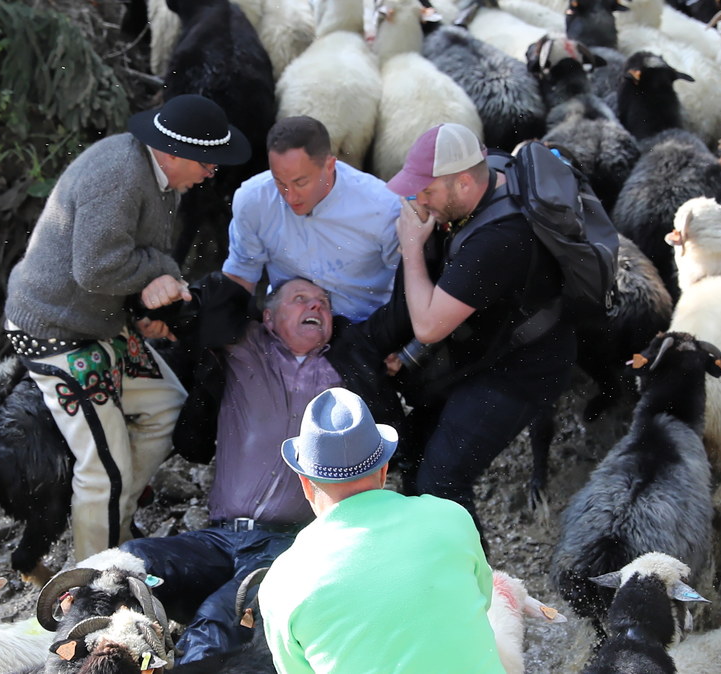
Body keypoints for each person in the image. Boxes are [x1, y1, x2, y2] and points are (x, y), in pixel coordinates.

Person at [3, 94, 249, 562]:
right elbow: (95, 268)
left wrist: (147, 301)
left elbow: (130, 260)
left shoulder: (162, 180)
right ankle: (92, 580)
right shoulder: (119, 174)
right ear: (175, 154)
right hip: (56, 330)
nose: (211, 174)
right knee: (103, 470)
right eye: (208, 163)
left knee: (166, 406)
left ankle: (112, 520)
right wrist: (161, 272)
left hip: (101, 323)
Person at [119, 275, 409, 664]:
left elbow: (404, 316)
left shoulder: (347, 365)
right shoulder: (244, 343)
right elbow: (201, 308)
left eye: (324, 302)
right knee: (130, 563)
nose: (316, 307)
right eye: (301, 299)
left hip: (286, 545)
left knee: (217, 621)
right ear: (268, 317)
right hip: (218, 539)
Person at [386, 123, 576, 528]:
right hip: (494, 342)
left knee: (441, 480)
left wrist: (411, 246)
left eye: (428, 192)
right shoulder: (492, 173)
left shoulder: (500, 240)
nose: (418, 201)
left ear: (465, 183)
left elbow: (428, 326)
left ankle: (478, 584)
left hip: (523, 369)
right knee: (415, 452)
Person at [258, 387, 504, 674]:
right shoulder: (451, 517)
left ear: (304, 482)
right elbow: (482, 601)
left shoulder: (282, 583)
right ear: (384, 469)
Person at [222, 116, 403, 321]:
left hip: (363, 328)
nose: (289, 196)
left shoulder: (383, 207)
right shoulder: (253, 199)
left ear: (330, 165)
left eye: (300, 182)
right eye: (280, 182)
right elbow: (241, 274)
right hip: (288, 329)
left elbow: (408, 285)